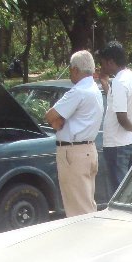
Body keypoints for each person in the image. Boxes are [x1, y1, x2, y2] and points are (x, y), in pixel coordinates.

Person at [45, 50, 103, 216]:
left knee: (78, 210)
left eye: (70, 69)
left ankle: (85, 241)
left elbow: (50, 116)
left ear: (76, 70)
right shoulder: (94, 89)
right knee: (86, 204)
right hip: (88, 150)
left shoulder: (78, 91)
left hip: (73, 152)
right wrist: (58, 120)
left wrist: (58, 120)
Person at [97, 41, 132, 194]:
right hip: (129, 142)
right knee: (129, 192)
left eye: (103, 63)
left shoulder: (119, 82)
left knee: (119, 194)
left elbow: (121, 118)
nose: (102, 67)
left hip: (117, 145)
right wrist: (104, 81)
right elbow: (114, 100)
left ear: (111, 62)